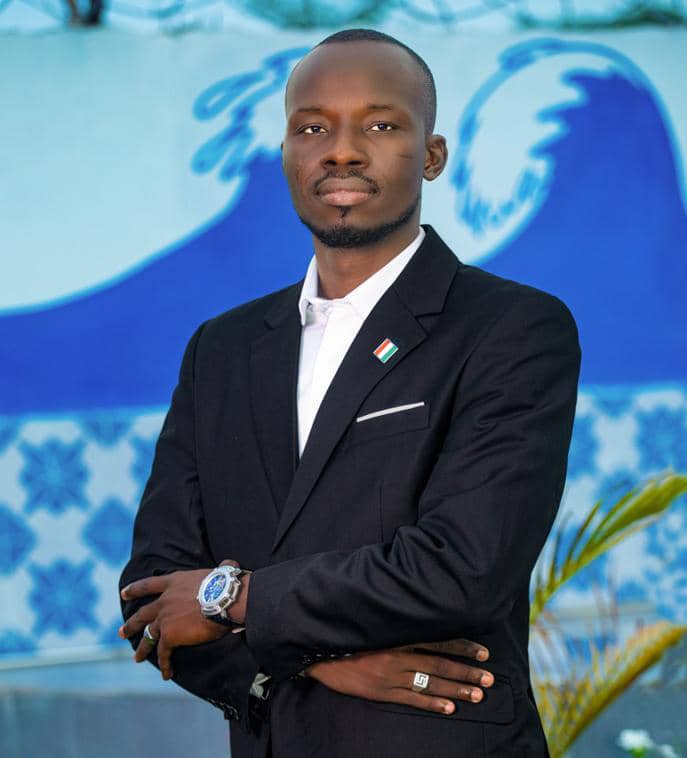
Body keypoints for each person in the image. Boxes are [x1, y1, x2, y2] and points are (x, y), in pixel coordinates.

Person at [119, 28, 580, 758]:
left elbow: (461, 569)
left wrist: (232, 599)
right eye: (312, 128)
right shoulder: (222, 349)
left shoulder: (511, 328)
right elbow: (154, 594)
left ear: (432, 155)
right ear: (284, 154)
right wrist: (308, 668)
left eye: (380, 125)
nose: (341, 151)